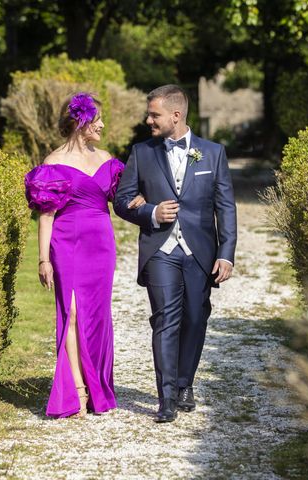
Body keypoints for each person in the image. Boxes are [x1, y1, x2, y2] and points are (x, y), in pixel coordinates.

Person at [113, 84, 237, 423]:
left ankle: (185, 383)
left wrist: (226, 254)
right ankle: (166, 398)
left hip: (200, 251)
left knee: (196, 318)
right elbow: (122, 200)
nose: (148, 120)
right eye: (149, 114)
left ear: (175, 115)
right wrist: (151, 212)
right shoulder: (141, 152)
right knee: (165, 320)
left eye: (154, 114)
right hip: (160, 251)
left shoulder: (213, 153)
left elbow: (225, 207)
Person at [24, 92, 144, 418]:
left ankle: (97, 386)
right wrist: (43, 259)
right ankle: (76, 389)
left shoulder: (106, 158)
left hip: (101, 244)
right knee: (73, 312)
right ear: (81, 122)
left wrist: (154, 208)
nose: (103, 125)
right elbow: (45, 216)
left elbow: (127, 201)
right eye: (98, 120)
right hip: (66, 242)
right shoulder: (53, 163)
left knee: (97, 314)